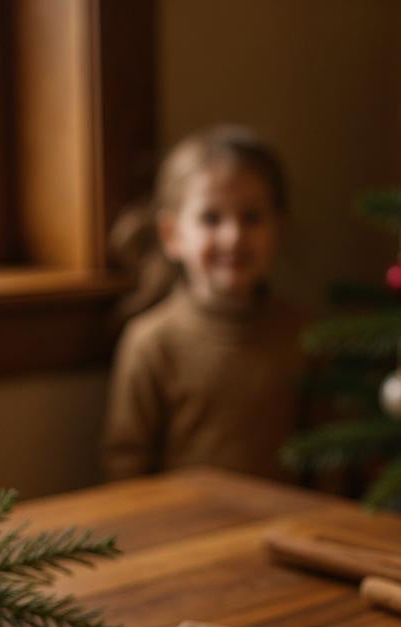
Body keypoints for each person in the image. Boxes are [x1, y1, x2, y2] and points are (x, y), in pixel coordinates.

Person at [102, 125, 306, 481]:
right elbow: (125, 463)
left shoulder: (302, 335)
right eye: (211, 218)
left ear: (278, 228)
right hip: (186, 529)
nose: (234, 236)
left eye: (252, 217)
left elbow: (329, 456)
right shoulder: (150, 342)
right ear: (172, 235)